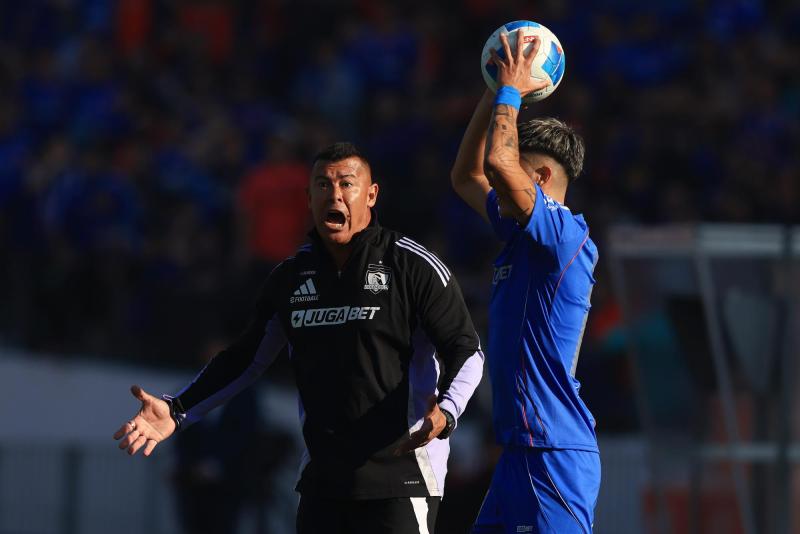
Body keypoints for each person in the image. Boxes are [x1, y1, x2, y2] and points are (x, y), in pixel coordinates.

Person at [113, 142, 485, 534]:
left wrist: (446, 412)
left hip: (401, 477)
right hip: (322, 482)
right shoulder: (289, 278)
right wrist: (177, 409)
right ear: (309, 198)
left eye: (347, 183)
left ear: (371, 194)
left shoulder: (412, 265)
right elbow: (244, 359)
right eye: (323, 185)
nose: (334, 194)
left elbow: (467, 350)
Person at [450, 33, 601, 533]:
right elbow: (466, 176)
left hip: (554, 452)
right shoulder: (521, 232)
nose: (497, 187)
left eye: (512, 176)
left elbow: (496, 162)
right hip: (520, 451)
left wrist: (512, 90)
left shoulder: (563, 234)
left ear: (537, 180)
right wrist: (493, 86)